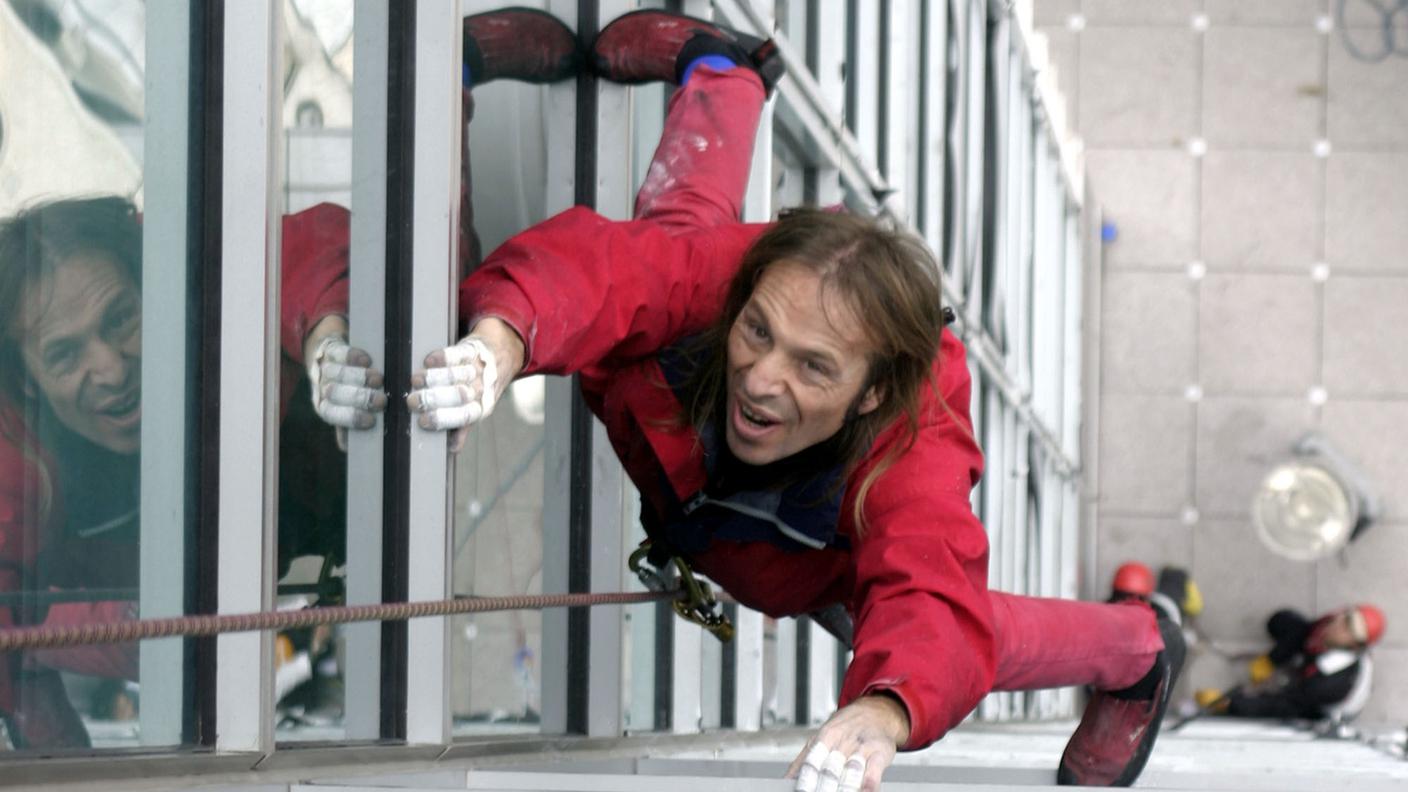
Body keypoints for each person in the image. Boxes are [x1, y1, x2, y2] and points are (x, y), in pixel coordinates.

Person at [407, 10, 1184, 789]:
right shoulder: (738, 287)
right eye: (758, 333)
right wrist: (499, 343)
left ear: (875, 390)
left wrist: (882, 709)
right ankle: (722, 72)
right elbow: (606, 271)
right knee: (675, 243)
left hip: (803, 565)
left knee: (955, 634)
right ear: (744, 296)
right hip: (697, 448)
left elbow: (930, 591)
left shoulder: (914, 437)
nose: (762, 379)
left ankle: (1138, 649)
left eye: (813, 368)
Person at [0, 196, 384, 748]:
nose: (109, 368)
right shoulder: (24, 465)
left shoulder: (222, 318)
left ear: (155, 294)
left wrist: (325, 337)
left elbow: (309, 248)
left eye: (120, 319)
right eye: (64, 355)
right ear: (29, 383)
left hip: (361, 514)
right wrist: (52, 759)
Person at [1196, 604, 1385, 722]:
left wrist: (1230, 704)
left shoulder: (1331, 685)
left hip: (1320, 705)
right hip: (1316, 668)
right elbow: (1306, 632)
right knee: (1281, 622)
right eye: (1347, 616)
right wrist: (1271, 659)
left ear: (1354, 644)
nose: (1338, 624)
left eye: (1347, 628)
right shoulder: (1333, 621)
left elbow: (1285, 705)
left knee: (1293, 703)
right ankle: (1298, 664)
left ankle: (1299, 672)